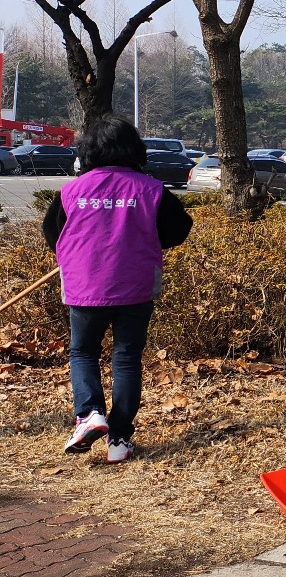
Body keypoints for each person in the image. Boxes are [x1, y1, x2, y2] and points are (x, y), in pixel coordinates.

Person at [48, 115, 193, 463]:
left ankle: (89, 414)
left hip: (85, 286)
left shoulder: (71, 191)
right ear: (134, 149)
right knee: (126, 358)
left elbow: (53, 236)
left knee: (83, 352)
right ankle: (120, 440)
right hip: (136, 286)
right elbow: (178, 230)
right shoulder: (152, 189)